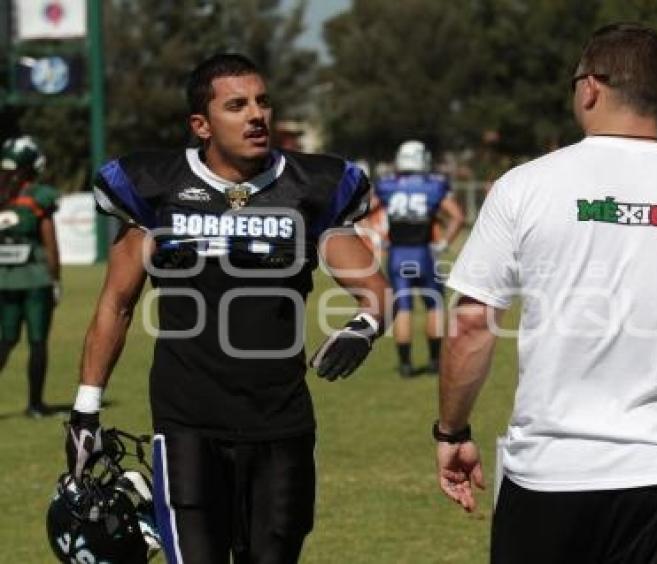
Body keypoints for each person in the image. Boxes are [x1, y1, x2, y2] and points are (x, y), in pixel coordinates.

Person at [435, 23, 657, 562]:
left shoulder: (524, 186)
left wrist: (450, 431)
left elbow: (472, 324)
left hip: (545, 476)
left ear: (590, 86)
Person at [63, 53, 390, 563]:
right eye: (236, 105)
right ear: (201, 125)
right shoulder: (159, 187)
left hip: (280, 421)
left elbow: (374, 289)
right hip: (187, 422)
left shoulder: (307, 187)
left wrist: (365, 326)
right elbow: (117, 304)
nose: (256, 115)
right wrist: (86, 409)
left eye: (262, 101)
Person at [374, 140, 464, 377]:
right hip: (423, 254)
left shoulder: (387, 185)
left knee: (402, 308)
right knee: (434, 304)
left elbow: (364, 210)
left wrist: (375, 236)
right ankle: (435, 361)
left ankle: (405, 365)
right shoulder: (433, 185)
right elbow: (457, 216)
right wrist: (444, 242)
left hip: (397, 254)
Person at [0, 136, 60, 418]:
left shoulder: (4, 197)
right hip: (35, 278)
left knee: (6, 340)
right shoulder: (37, 195)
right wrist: (56, 280)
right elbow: (50, 242)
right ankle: (35, 405)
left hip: (4, 279)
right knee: (37, 342)